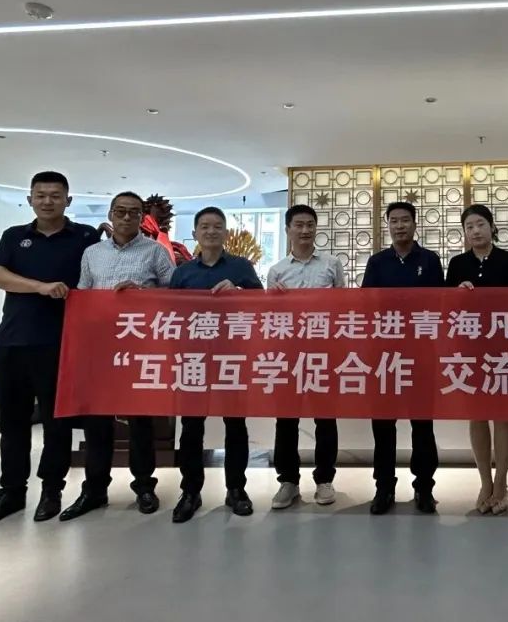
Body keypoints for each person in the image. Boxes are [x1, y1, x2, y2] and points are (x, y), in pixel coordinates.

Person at [0, 172, 102, 529]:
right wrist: (40, 287)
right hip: (12, 343)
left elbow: (100, 277)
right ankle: (11, 492)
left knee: (57, 424)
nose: (47, 201)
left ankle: (51, 490)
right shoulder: (14, 236)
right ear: (30, 200)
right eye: (40, 195)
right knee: (12, 423)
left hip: (62, 345)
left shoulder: (86, 238)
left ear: (68, 201)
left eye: (55, 195)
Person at [58, 192, 175, 522]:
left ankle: (144, 486)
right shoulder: (92, 253)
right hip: (99, 347)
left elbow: (176, 293)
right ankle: (95, 488)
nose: (126, 217)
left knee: (140, 420)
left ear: (142, 218)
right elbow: (82, 295)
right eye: (120, 211)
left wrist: (145, 293)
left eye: (133, 212)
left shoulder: (155, 251)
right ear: (110, 214)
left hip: (140, 346)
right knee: (97, 421)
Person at [169, 207, 263, 523]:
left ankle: (236, 489)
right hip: (193, 359)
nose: (211, 231)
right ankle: (190, 491)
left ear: (225, 232)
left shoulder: (241, 267)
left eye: (217, 226)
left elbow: (263, 307)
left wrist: (239, 293)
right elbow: (169, 314)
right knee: (191, 428)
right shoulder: (182, 273)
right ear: (195, 233)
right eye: (205, 226)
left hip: (231, 357)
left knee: (235, 425)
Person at [361, 201, 444, 514]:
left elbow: (439, 304)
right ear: (388, 226)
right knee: (383, 425)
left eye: (405, 220)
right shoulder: (377, 262)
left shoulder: (430, 260)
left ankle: (424, 488)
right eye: (394, 221)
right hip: (384, 356)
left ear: (414, 224)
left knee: (422, 424)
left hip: (421, 354)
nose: (399, 226)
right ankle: (384, 488)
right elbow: (367, 305)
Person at [446, 205, 508, 515]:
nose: (475, 230)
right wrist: (458, 292)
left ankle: (502, 482)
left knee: (502, 415)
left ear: (492, 227)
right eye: (469, 226)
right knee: (477, 414)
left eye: (480, 224)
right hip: (470, 349)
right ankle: (485, 482)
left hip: (504, 349)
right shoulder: (457, 264)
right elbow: (446, 307)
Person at [265, 204, 346, 510]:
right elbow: (271, 318)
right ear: (287, 230)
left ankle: (325, 479)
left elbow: (343, 308)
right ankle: (288, 481)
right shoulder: (277, 271)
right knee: (286, 419)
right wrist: (273, 300)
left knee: (325, 418)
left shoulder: (332, 264)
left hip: (324, 353)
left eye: (310, 224)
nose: (305, 230)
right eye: (298, 225)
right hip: (288, 355)